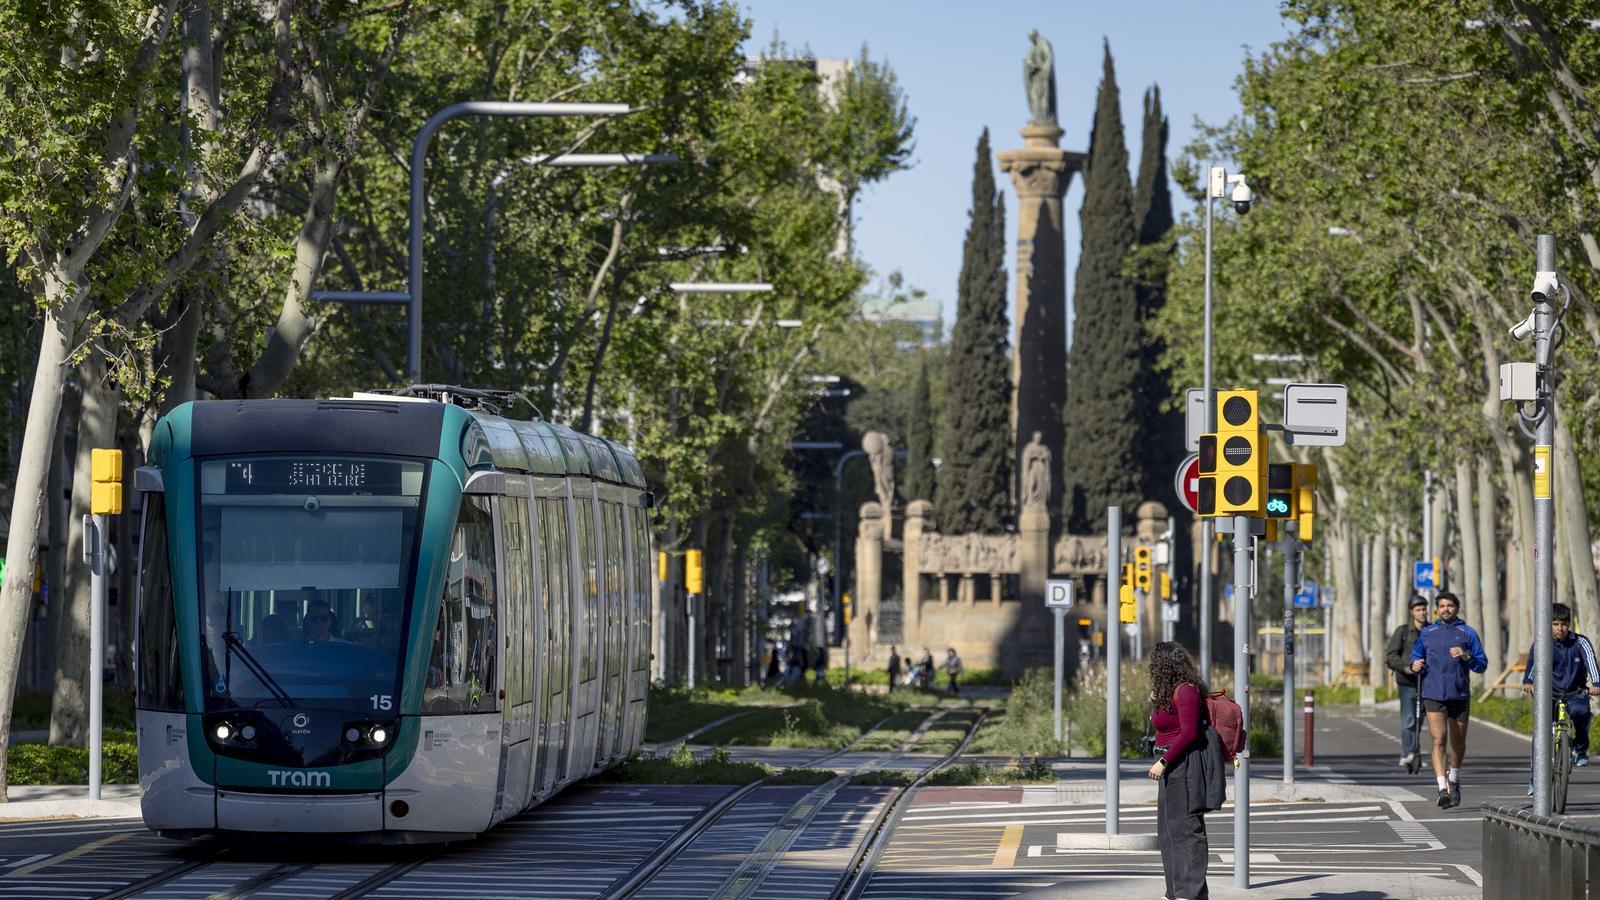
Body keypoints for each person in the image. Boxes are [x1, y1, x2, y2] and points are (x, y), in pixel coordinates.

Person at [1148, 641, 1219, 900]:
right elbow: (1165, 726)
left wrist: (1164, 761)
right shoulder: (1169, 693)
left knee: (1187, 831)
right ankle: (1175, 891)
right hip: (1170, 767)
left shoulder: (1186, 691)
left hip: (1184, 766)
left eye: (1154, 664)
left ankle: (1193, 894)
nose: (1151, 669)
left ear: (1164, 666)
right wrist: (1155, 703)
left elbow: (1189, 732)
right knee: (1168, 831)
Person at [1409, 590, 1488, 808]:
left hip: (1459, 694)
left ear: (1457, 608)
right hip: (1433, 693)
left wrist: (1466, 656)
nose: (1446, 609)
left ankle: (1454, 778)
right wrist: (1415, 665)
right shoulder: (1427, 633)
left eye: (1450, 606)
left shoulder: (1467, 633)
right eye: (1442, 606)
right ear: (1436, 609)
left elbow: (1482, 664)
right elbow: (1416, 657)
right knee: (1438, 739)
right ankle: (1442, 787)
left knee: (1458, 742)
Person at [1521, 603, 1600, 792]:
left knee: (1582, 712)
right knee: (1541, 736)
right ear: (1549, 624)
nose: (1560, 628)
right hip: (1550, 693)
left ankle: (1579, 747)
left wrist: (1596, 684)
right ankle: (1535, 779)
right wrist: (1529, 681)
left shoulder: (1580, 642)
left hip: (1575, 692)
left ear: (1569, 623)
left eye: (1564, 624)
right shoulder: (1542, 642)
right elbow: (1533, 663)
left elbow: (1591, 662)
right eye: (1555, 624)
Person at [1384, 595, 1430, 768]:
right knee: (1409, 718)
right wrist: (1406, 667)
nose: (1422, 612)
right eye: (1418, 609)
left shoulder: (1431, 630)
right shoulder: (1402, 631)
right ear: (1412, 612)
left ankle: (1414, 750)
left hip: (1426, 682)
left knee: (1421, 719)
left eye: (1424, 609)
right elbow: (1391, 656)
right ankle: (1407, 752)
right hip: (1407, 682)